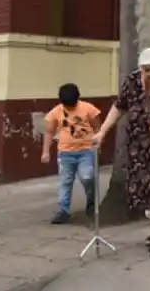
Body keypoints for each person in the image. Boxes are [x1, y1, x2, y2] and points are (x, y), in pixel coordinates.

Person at [93, 46, 150, 255]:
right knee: (141, 189)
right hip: (137, 146)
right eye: (147, 69)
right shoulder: (133, 81)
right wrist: (103, 131)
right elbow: (119, 106)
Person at [41, 83, 102, 224]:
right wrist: (45, 151)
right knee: (65, 182)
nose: (69, 108)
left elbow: (97, 127)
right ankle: (63, 210)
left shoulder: (88, 109)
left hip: (86, 150)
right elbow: (49, 132)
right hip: (65, 152)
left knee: (87, 177)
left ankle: (92, 202)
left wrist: (98, 144)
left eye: (72, 105)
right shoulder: (56, 112)